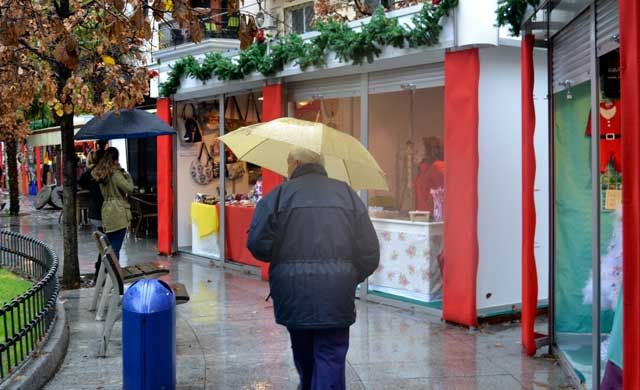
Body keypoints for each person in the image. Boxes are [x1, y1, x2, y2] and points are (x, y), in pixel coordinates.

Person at [247, 147, 380, 390]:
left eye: (287, 162)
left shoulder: (278, 196)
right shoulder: (347, 195)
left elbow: (257, 244)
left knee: (303, 353)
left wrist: (281, 256)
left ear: (296, 162)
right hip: (336, 295)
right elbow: (370, 251)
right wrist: (349, 276)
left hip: (292, 293)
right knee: (330, 355)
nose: (286, 168)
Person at [91, 147, 133, 260]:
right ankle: (113, 274)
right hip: (118, 211)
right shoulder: (115, 174)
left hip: (106, 210)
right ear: (116, 158)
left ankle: (108, 273)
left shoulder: (101, 174)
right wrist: (127, 176)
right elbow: (129, 189)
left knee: (110, 246)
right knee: (115, 248)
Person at [79, 149, 105, 282]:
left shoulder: (89, 172)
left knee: (103, 243)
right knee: (106, 244)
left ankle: (100, 269)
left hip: (94, 211)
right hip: (104, 212)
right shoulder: (106, 172)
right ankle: (100, 270)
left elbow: (80, 182)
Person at [414, 136, 445, 213]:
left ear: (428, 150)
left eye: (419, 149)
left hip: (432, 219)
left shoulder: (438, 167)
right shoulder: (422, 170)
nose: (415, 152)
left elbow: (442, 194)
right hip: (422, 217)